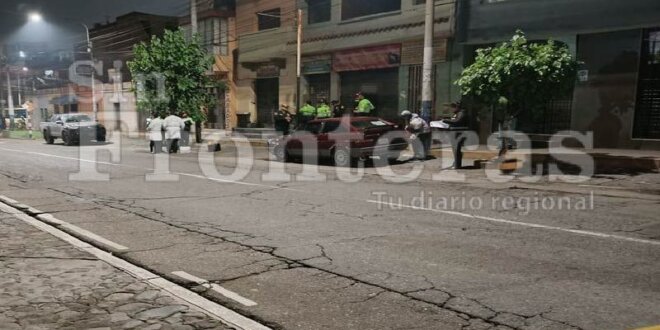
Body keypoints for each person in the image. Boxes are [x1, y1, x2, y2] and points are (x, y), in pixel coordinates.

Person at [441, 102, 469, 169]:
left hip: (458, 133)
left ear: (458, 107)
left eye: (453, 107)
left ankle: (457, 165)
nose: (452, 109)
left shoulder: (461, 113)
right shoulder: (457, 114)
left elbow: (457, 121)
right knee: (455, 150)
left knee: (456, 149)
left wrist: (446, 120)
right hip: (454, 133)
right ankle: (456, 163)